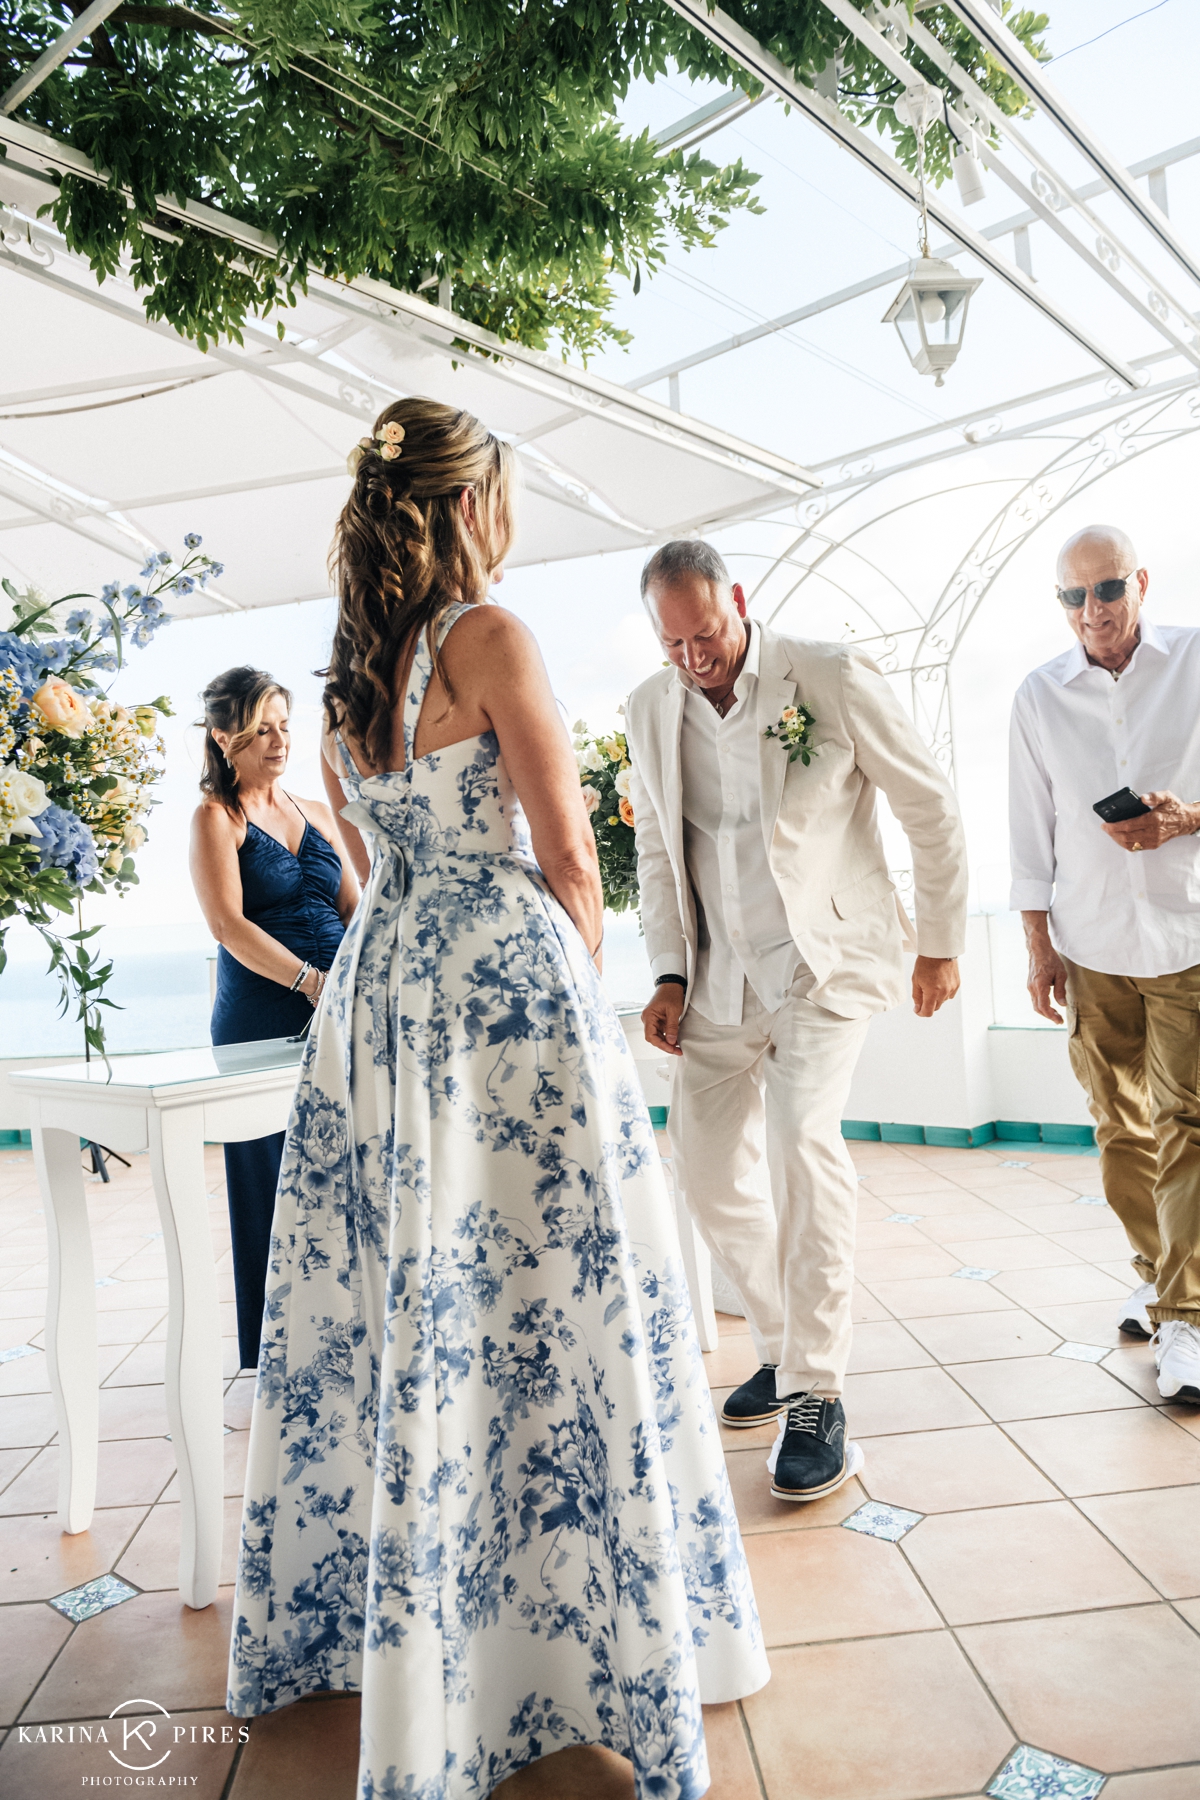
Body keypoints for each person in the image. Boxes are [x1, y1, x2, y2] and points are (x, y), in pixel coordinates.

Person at [227, 401, 768, 1800]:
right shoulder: (492, 639)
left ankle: (440, 1651)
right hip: (503, 999)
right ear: (471, 508)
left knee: (424, 1309)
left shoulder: (344, 678)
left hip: (380, 1002)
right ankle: (584, 1648)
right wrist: (571, 990)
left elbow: (368, 859)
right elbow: (571, 859)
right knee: (559, 1311)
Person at [626, 540, 968, 1503]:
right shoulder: (650, 711)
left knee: (800, 1139)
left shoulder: (827, 673)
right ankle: (780, 1341)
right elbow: (659, 853)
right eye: (675, 644)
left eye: (708, 635)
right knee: (698, 1165)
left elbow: (930, 806)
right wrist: (664, 972)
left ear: (738, 600)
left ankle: (819, 1391)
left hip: (823, 965)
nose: (697, 659)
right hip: (714, 983)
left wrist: (939, 940)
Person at [1010, 523, 1200, 1405]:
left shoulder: (1196, 661)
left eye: (1108, 590)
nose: (1092, 612)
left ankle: (1188, 1318)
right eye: (1073, 596)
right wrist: (1038, 946)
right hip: (1089, 947)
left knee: (1188, 1124)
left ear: (1142, 583)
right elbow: (1028, 828)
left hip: (1186, 939)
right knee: (1119, 1126)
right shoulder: (1038, 696)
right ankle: (1159, 1274)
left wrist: (1183, 818)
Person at [190, 668, 359, 1370]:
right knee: (271, 1179)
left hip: (340, 1010)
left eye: (285, 725)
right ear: (223, 737)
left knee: (345, 1169)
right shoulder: (216, 817)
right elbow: (227, 924)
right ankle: (277, 1356)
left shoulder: (316, 810)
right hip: (262, 1016)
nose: (279, 740)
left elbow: (356, 906)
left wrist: (358, 979)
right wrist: (307, 980)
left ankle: (348, 1332)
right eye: (262, 729)